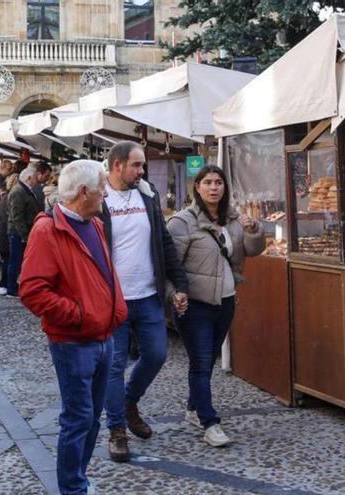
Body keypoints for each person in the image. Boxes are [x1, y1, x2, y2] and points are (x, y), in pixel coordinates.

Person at [19, 160, 128, 495]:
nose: (105, 194)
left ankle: (78, 477)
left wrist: (113, 309)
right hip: (73, 341)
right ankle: (72, 487)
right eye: (101, 189)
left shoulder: (93, 223)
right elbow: (32, 289)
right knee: (77, 418)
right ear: (84, 192)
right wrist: (80, 315)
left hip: (103, 335)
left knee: (92, 416)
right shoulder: (47, 229)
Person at [99, 141, 189, 461]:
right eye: (136, 165)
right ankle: (117, 429)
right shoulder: (100, 199)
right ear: (117, 165)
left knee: (156, 354)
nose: (141, 171)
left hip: (148, 294)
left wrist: (179, 284)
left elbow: (163, 242)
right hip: (114, 299)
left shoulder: (146, 194)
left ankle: (128, 401)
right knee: (114, 365)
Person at [167, 164, 264, 447]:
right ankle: (210, 422)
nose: (213, 187)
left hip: (225, 301)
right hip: (194, 304)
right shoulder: (182, 222)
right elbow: (170, 265)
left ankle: (193, 408)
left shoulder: (233, 220)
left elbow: (253, 250)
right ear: (196, 187)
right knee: (200, 361)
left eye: (218, 182)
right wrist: (174, 294)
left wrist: (254, 230)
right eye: (207, 182)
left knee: (207, 360)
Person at [6, 166, 42, 297]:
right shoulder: (19, 191)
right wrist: (24, 235)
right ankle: (11, 288)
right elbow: (17, 216)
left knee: (20, 260)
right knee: (15, 260)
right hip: (18, 232)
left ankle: (15, 286)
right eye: (35, 177)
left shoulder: (24, 190)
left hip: (24, 231)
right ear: (29, 178)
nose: (37, 180)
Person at [0, 175, 18, 295]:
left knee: (9, 261)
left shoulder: (8, 197)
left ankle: (6, 283)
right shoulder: (7, 198)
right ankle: (3, 284)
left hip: (5, 234)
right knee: (8, 262)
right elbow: (5, 219)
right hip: (5, 235)